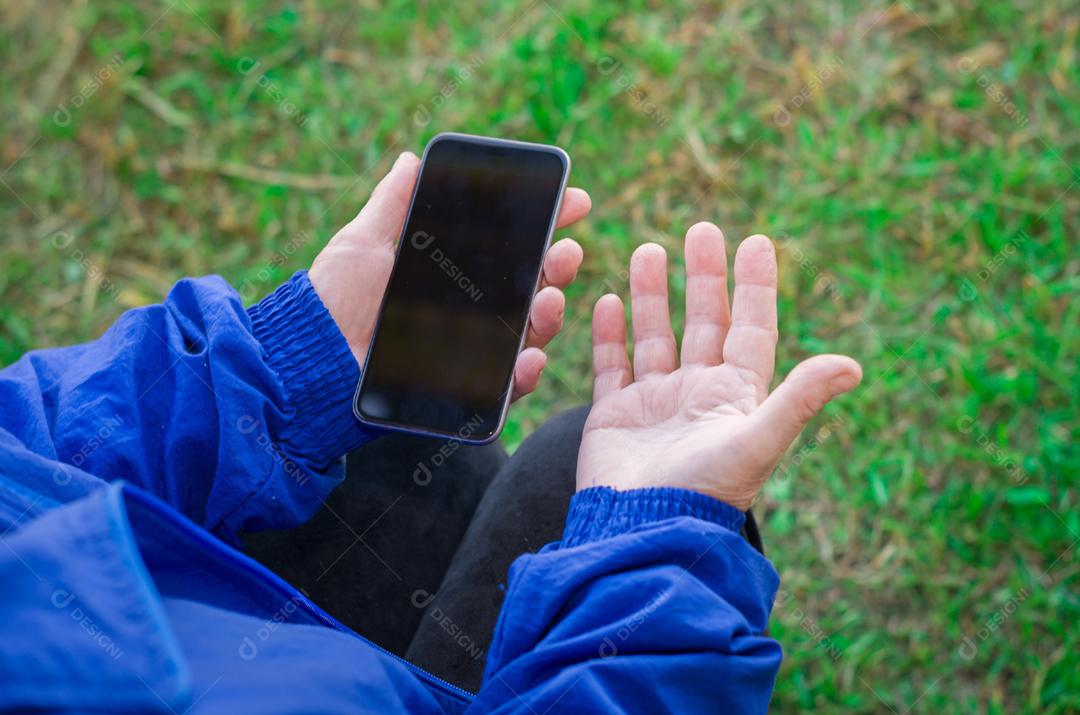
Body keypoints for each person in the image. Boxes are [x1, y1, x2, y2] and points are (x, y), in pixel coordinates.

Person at [0, 152, 861, 714]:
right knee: (564, 472)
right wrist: (651, 560)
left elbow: (29, 459)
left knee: (413, 431)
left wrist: (278, 372)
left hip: (236, 634)